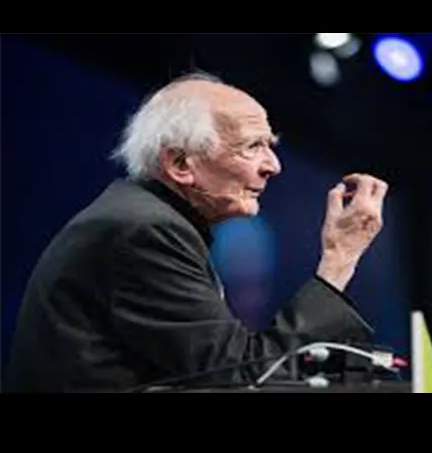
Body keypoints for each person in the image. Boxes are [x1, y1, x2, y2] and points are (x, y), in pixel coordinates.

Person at [4, 71, 389, 392]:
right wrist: (339, 259)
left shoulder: (143, 218)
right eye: (252, 146)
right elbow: (245, 380)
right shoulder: (144, 231)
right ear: (180, 164)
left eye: (270, 145)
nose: (273, 165)